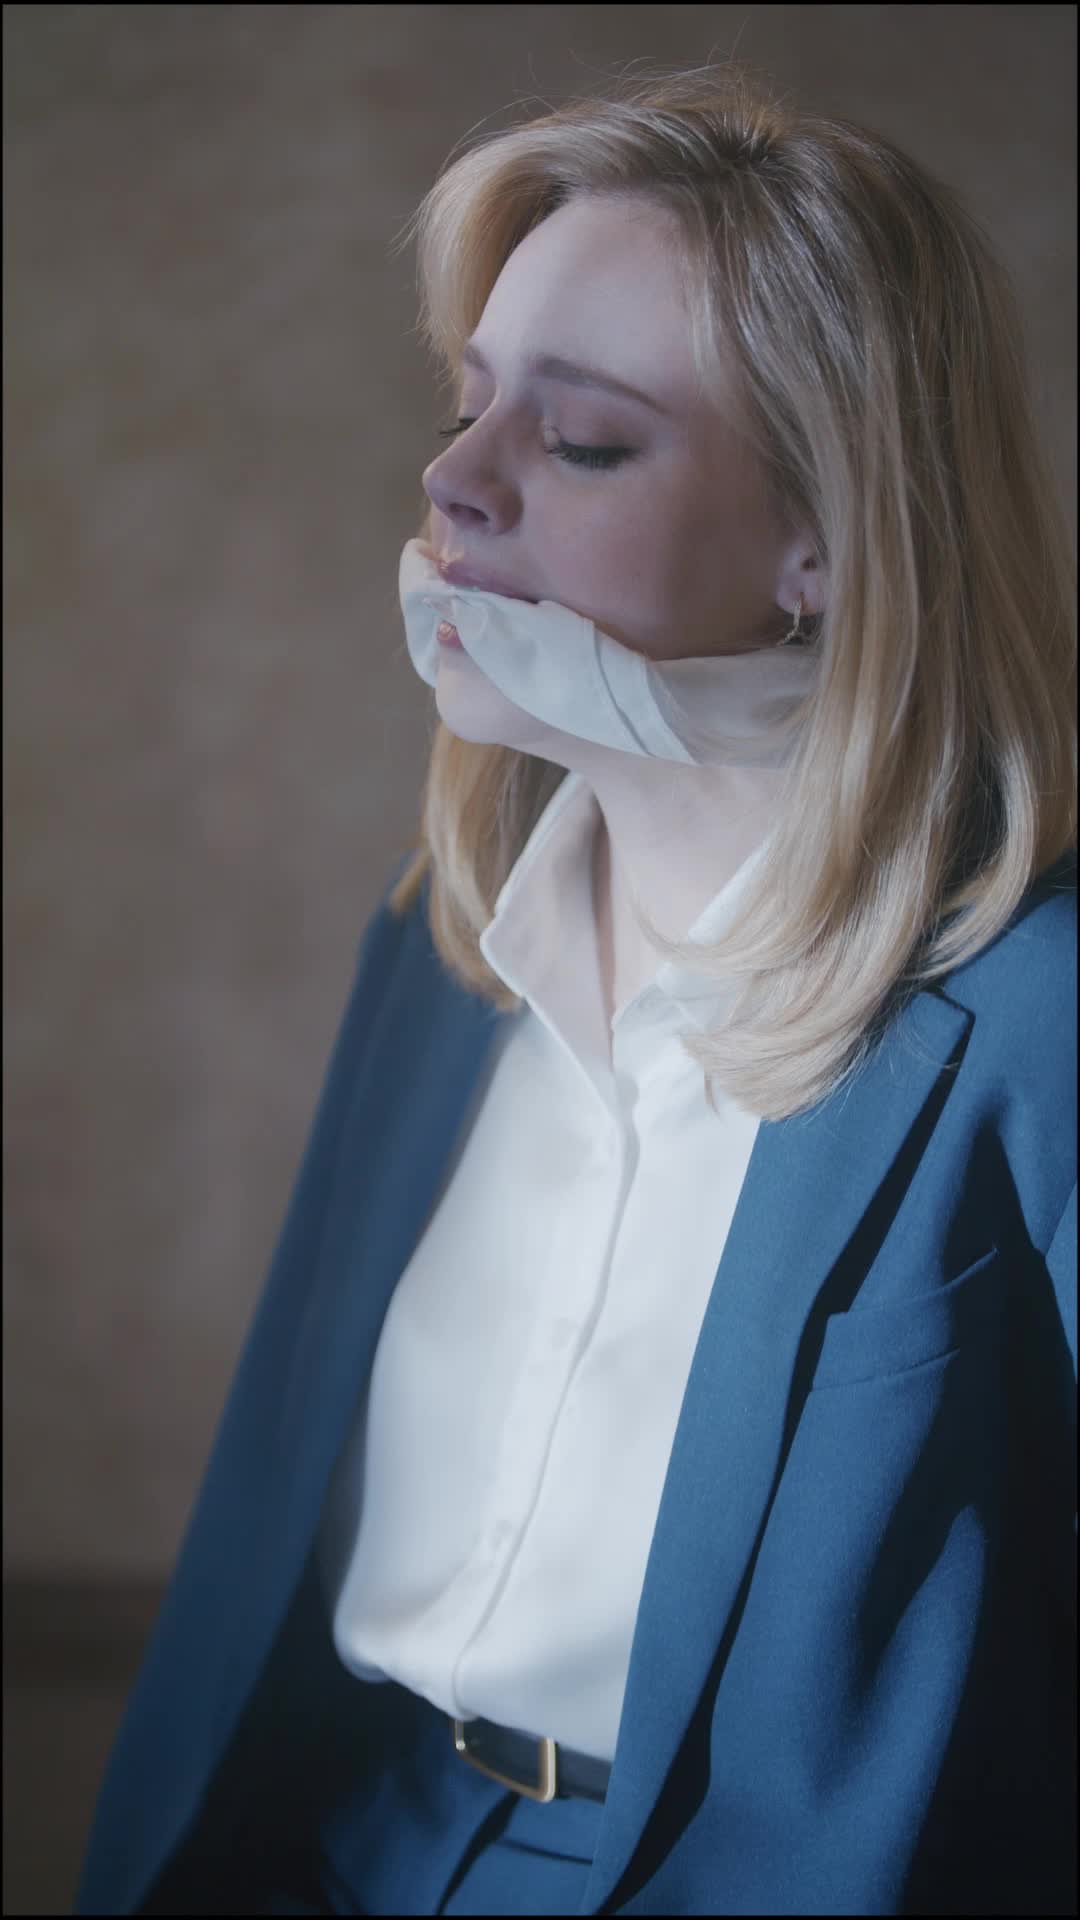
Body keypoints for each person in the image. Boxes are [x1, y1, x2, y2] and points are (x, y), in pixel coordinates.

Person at [75, 60, 1076, 1917]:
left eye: (587, 440)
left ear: (827, 537)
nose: (452, 483)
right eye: (468, 406)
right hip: (343, 1841)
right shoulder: (438, 946)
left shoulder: (1040, 1020)